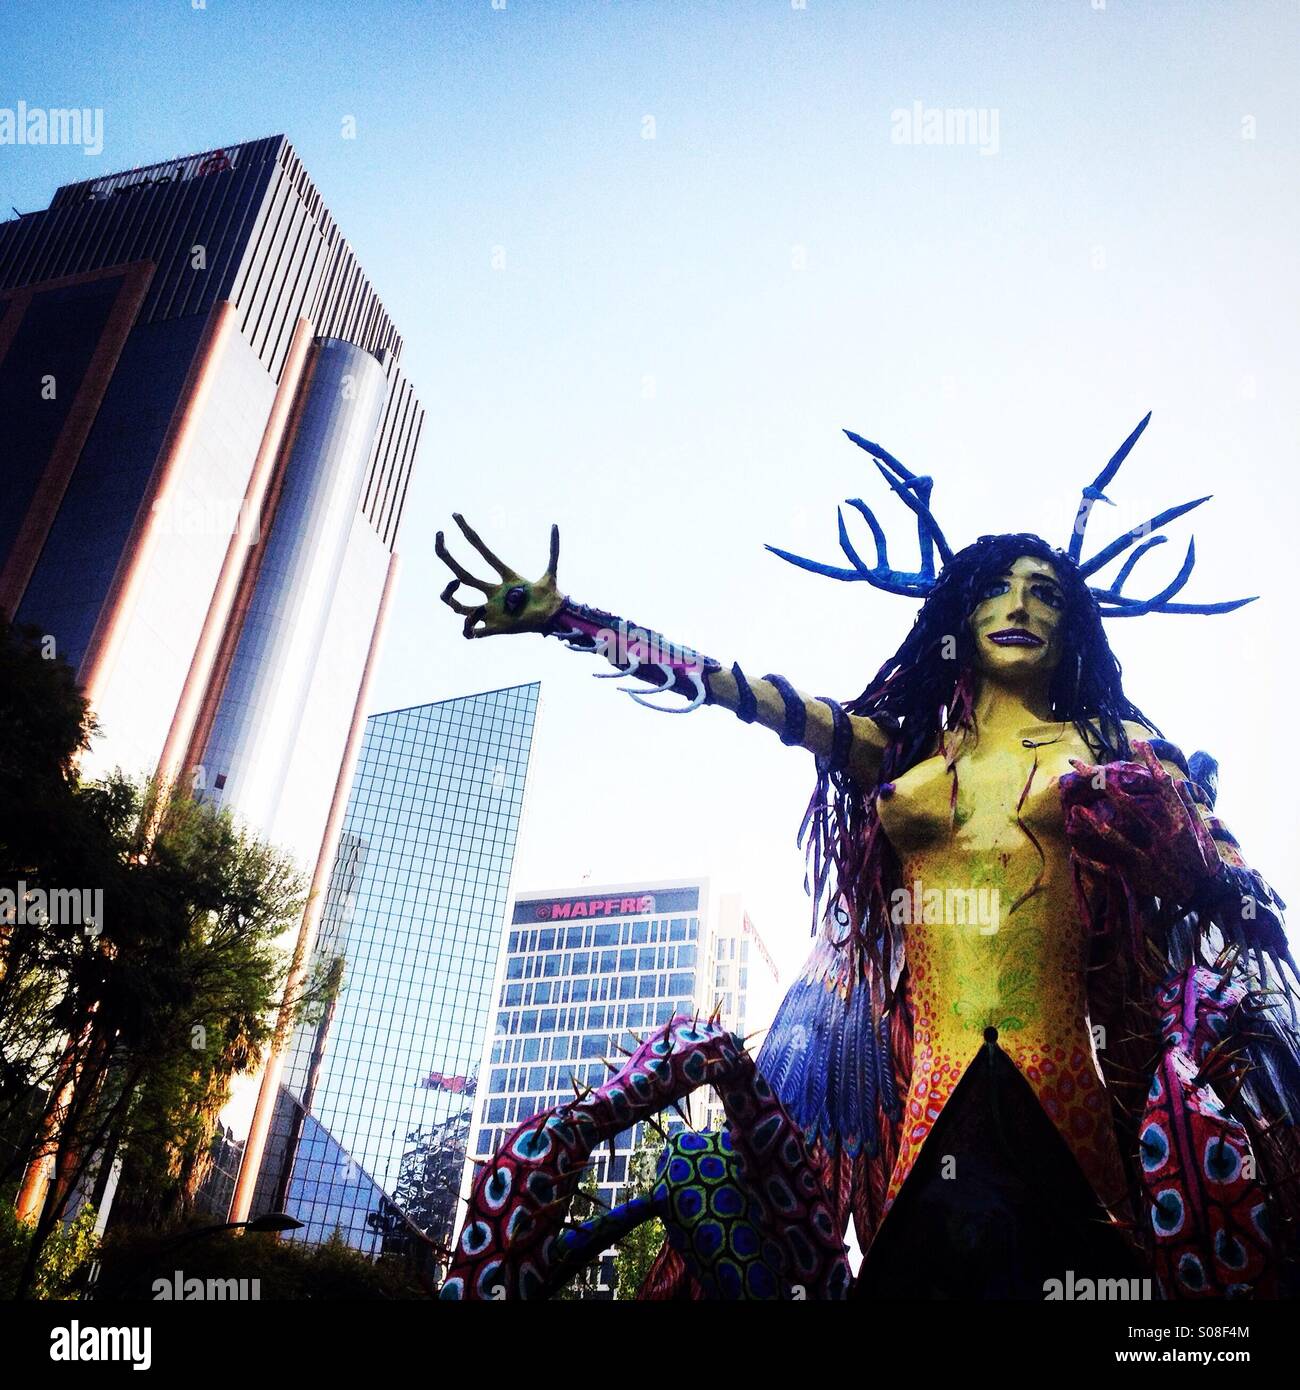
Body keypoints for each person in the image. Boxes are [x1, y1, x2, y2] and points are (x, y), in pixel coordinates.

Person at [437, 419, 1299, 1299]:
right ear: (960, 614)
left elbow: (1234, 884)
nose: (1020, 606)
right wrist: (575, 621)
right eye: (996, 589)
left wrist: (1185, 858)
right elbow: (745, 694)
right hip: (924, 1110)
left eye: (1044, 594)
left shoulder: (1117, 740)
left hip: (1071, 1101)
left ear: (1072, 623)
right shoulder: (903, 753)